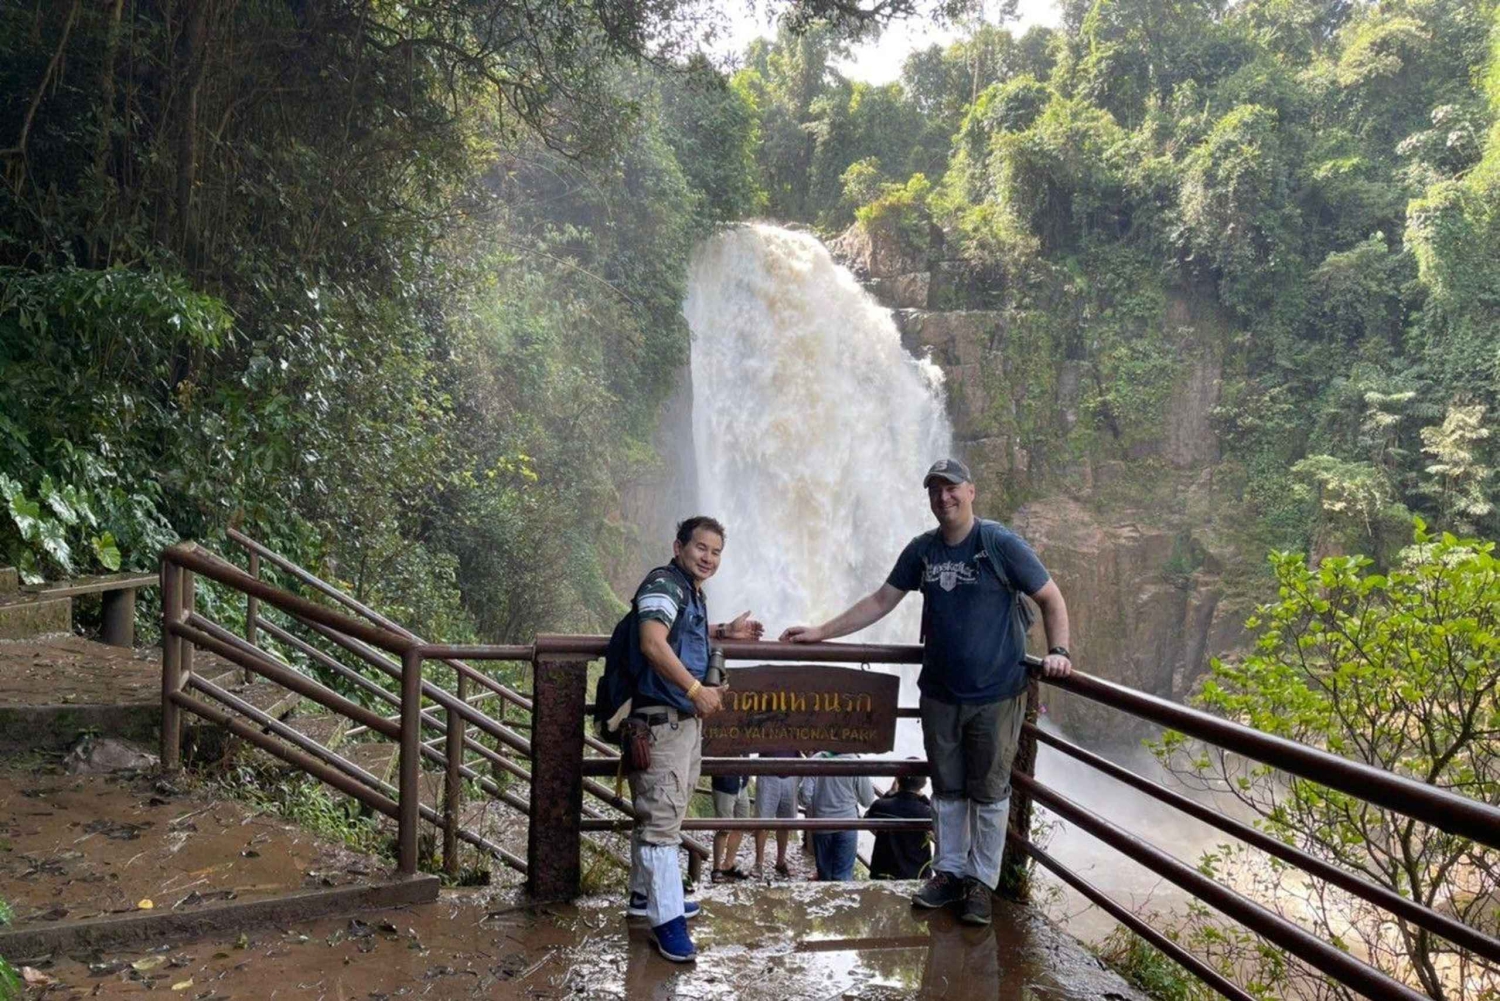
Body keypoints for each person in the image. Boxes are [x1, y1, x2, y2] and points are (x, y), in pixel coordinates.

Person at [781, 457, 1073, 926]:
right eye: (935, 491)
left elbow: (1050, 597)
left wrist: (1058, 649)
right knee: (949, 791)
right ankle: (950, 873)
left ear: (971, 491)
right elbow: (881, 600)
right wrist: (822, 632)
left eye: (952, 488)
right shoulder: (923, 551)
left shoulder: (997, 543)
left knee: (992, 791)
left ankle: (981, 884)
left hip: (996, 694)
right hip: (939, 694)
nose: (944, 498)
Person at [624, 516, 763, 962]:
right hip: (662, 720)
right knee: (663, 823)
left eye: (716, 551)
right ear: (678, 545)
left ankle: (643, 898)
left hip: (678, 724)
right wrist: (695, 690)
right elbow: (651, 641)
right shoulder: (665, 583)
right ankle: (667, 925)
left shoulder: (689, 591)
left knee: (662, 813)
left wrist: (724, 632)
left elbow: (678, 632)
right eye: (700, 547)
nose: (708, 557)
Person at [798, 753, 875, 880]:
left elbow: (804, 796)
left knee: (825, 874)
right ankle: (841, 899)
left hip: (821, 824)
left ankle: (826, 896)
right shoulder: (855, 762)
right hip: (847, 824)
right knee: (843, 874)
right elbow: (867, 799)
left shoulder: (816, 760)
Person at [865, 772, 934, 880]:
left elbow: (867, 819)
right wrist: (924, 798)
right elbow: (941, 821)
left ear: (897, 780)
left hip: (883, 872)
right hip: (917, 874)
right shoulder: (926, 812)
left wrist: (890, 793)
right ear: (924, 784)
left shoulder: (881, 806)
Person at [753, 750, 799, 878]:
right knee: (763, 822)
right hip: (768, 771)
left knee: (785, 823)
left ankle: (781, 861)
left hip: (791, 772)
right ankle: (759, 862)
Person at [710, 773, 752, 881]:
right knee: (724, 829)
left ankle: (728, 864)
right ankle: (717, 868)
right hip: (723, 786)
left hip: (742, 785)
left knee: (740, 826)